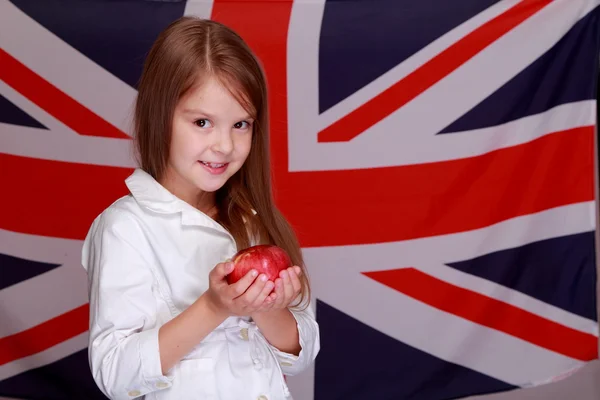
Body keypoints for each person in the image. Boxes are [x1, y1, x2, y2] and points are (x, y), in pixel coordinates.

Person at [81, 16, 320, 400]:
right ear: (159, 116)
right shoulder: (125, 228)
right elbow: (115, 374)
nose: (224, 145)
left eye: (241, 124)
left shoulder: (257, 222)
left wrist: (269, 308)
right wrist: (213, 307)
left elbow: (300, 356)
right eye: (203, 122)